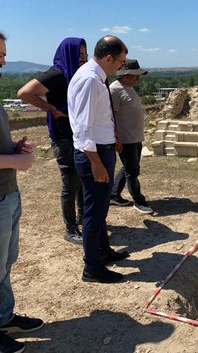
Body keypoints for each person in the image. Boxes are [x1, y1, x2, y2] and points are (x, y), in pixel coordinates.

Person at [0, 24, 44, 353]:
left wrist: (11, 148)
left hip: (4, 194)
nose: (4, 62)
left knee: (4, 263)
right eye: (0, 55)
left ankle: (3, 317)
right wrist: (12, 162)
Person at [68, 35, 130, 284]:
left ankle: (103, 252)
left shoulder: (95, 78)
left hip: (100, 150)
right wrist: (95, 162)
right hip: (93, 153)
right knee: (93, 213)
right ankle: (92, 268)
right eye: (120, 62)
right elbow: (82, 128)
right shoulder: (90, 80)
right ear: (108, 58)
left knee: (100, 208)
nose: (120, 67)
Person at [17, 37, 87, 244]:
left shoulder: (75, 73)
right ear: (69, 54)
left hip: (77, 134)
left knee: (82, 177)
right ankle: (70, 228)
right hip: (63, 136)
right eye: (79, 55)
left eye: (84, 55)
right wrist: (52, 109)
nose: (82, 59)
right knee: (71, 181)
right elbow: (24, 93)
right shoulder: (57, 73)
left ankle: (84, 218)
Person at [109, 59, 153, 214]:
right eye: (136, 75)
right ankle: (138, 200)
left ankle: (113, 194)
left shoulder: (129, 87)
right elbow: (110, 116)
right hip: (125, 139)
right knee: (132, 171)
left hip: (135, 137)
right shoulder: (114, 90)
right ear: (126, 74)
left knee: (129, 167)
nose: (138, 78)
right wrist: (116, 139)